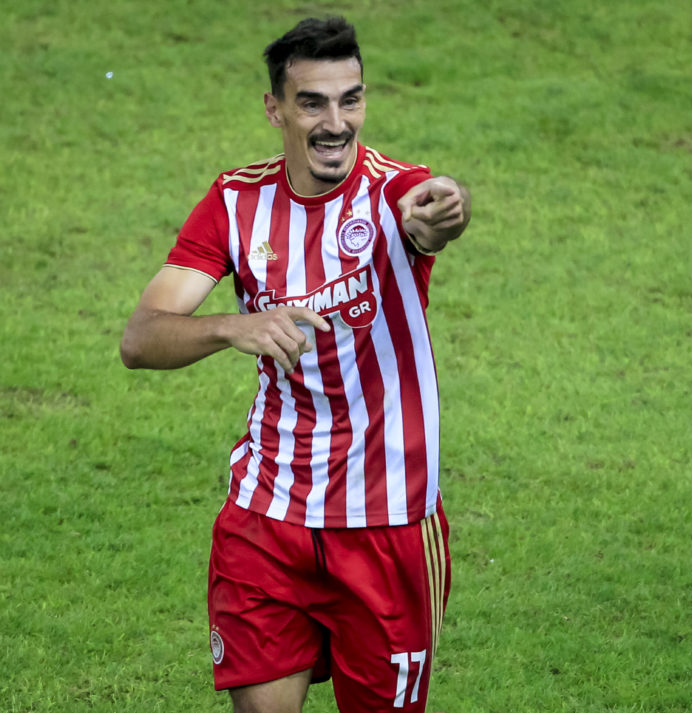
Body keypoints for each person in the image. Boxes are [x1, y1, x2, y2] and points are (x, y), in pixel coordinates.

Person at [120, 16, 470, 713]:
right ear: (275, 109)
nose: (336, 123)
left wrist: (447, 210)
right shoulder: (235, 203)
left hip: (388, 523)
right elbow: (141, 338)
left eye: (351, 99)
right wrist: (233, 326)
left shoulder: (397, 193)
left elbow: (433, 214)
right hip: (268, 516)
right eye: (313, 102)